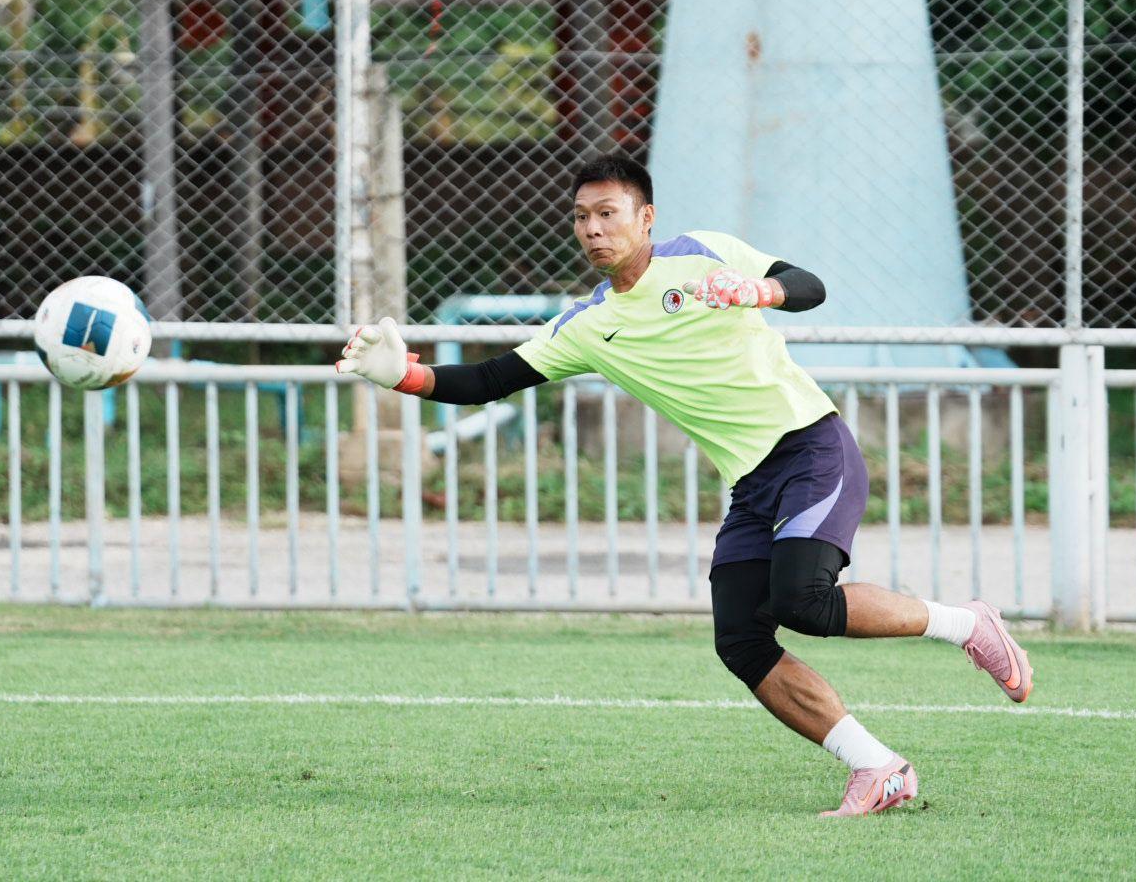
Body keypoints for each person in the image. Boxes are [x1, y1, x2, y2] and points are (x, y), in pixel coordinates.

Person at [337, 154, 1033, 816]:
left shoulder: (701, 252)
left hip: (810, 448)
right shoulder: (589, 325)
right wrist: (399, 375)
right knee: (741, 640)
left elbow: (809, 285)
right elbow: (490, 380)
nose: (592, 229)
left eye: (608, 213)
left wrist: (762, 290)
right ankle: (878, 768)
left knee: (803, 600)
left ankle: (967, 624)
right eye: (581, 217)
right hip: (751, 484)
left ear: (646, 218)